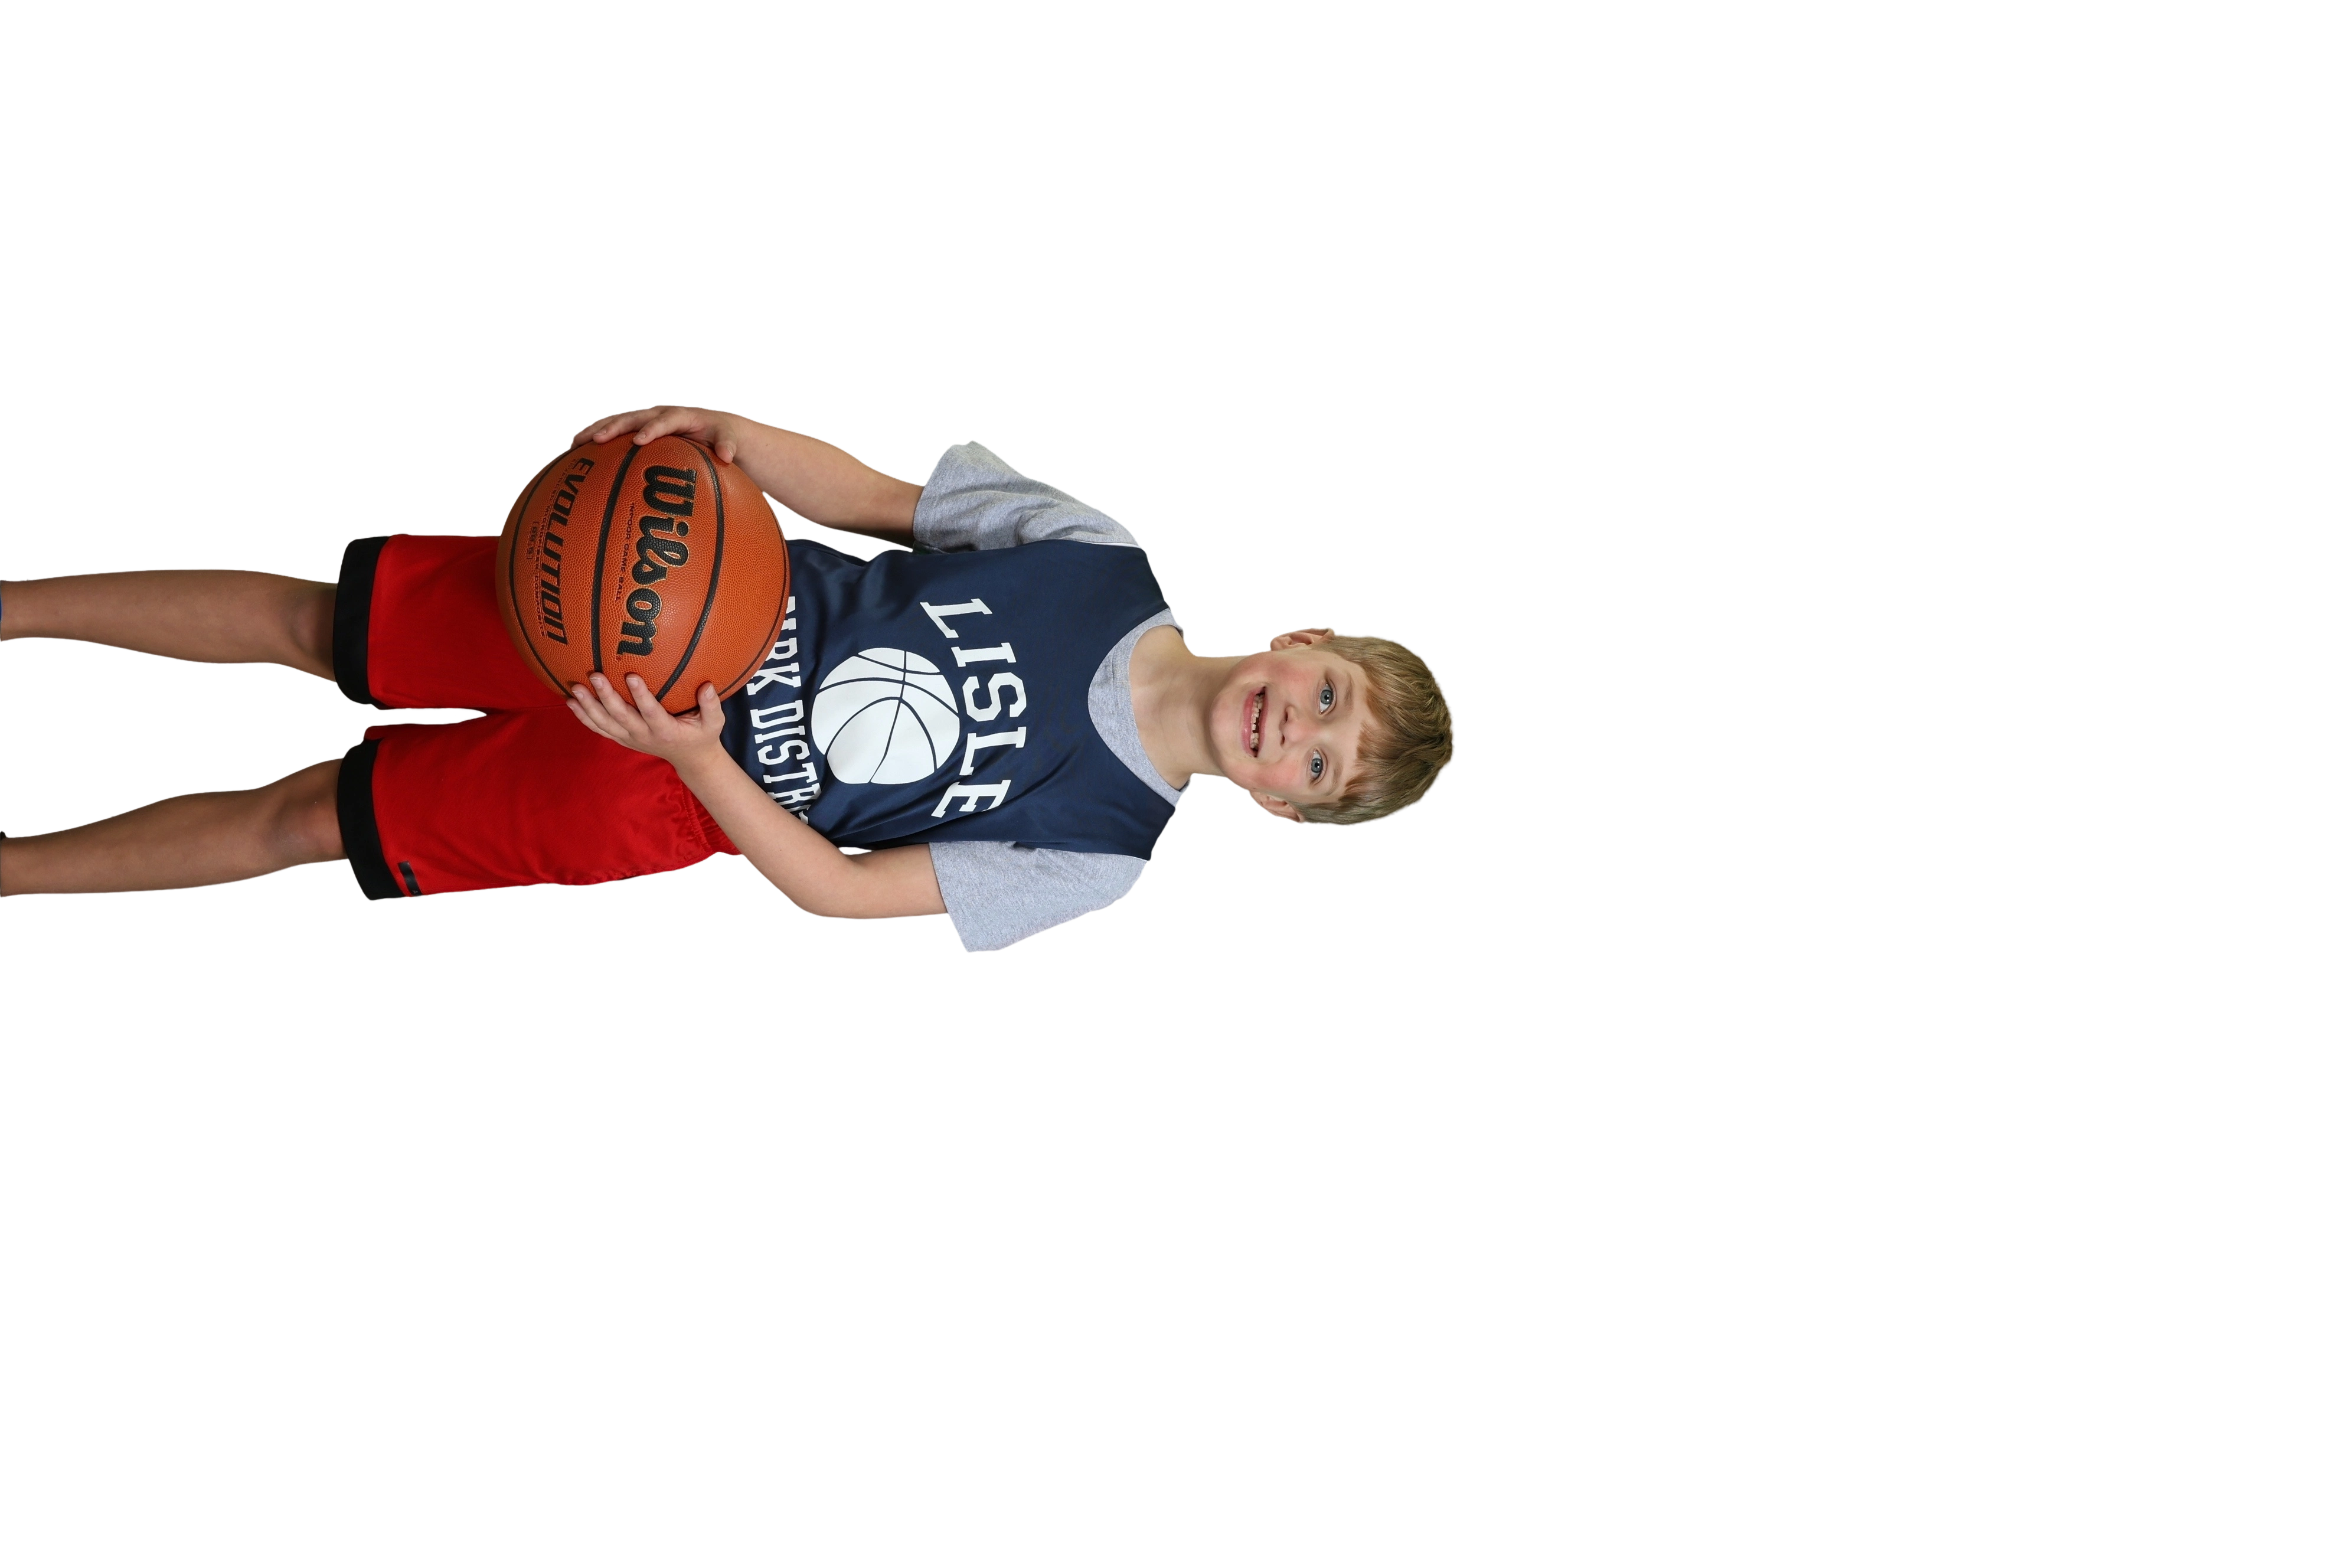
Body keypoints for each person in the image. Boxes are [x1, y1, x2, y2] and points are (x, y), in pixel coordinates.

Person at [0, 404, 1458, 950]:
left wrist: (697, 756)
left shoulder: (1096, 856)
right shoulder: (1096, 556)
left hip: (664, 788)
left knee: (308, 818)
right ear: (1304, 640)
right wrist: (739, 443)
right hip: (667, 594)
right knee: (315, 623)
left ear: (1284, 810)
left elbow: (841, 893)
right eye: (1331, 693)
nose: (1298, 726)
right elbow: (880, 504)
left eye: (1318, 764)